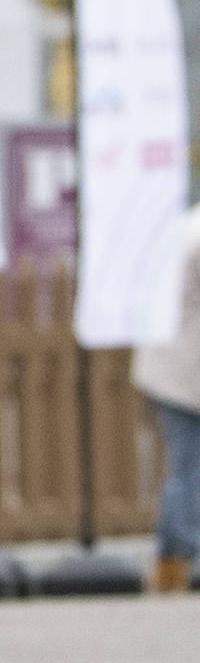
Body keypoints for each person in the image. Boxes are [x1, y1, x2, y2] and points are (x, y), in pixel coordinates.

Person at [133, 192, 200, 589]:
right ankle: (178, 555)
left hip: (172, 365)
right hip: (184, 370)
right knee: (189, 466)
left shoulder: (186, 226)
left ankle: (175, 558)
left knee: (186, 465)